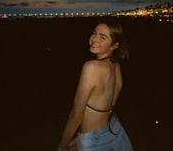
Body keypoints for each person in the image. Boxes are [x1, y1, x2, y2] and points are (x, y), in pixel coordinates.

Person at [56, 19, 134, 151]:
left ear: (114, 45)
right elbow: (110, 107)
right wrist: (80, 138)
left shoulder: (91, 67)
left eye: (102, 37)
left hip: (96, 140)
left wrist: (61, 146)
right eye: (94, 33)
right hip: (114, 129)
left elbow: (76, 116)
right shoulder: (115, 65)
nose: (94, 39)